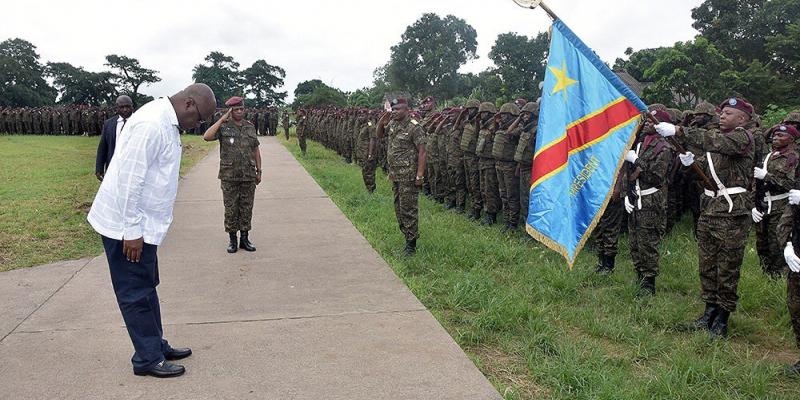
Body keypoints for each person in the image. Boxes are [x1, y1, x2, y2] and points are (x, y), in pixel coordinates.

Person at [87, 83, 216, 378]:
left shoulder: (165, 119)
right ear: (189, 105)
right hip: (127, 226)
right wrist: (131, 230)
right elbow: (130, 179)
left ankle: (155, 344)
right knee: (134, 290)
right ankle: (147, 358)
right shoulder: (150, 123)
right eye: (199, 119)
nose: (199, 125)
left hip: (143, 225)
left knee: (146, 284)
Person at [657, 97, 756, 338]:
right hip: (710, 209)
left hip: (731, 212)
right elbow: (707, 170)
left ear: (742, 119)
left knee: (728, 268)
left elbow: (716, 142)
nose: (722, 115)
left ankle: (722, 319)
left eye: (729, 113)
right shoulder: (717, 147)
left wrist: (679, 130)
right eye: (722, 112)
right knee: (708, 264)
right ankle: (709, 311)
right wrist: (690, 163)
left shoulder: (742, 138)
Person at [623, 109, 674, 295]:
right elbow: (629, 173)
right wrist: (627, 194)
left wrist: (638, 161)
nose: (647, 124)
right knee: (635, 240)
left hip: (651, 200)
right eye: (646, 121)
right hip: (636, 197)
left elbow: (656, 175)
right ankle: (639, 275)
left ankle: (649, 283)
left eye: (652, 122)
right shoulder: (640, 143)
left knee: (648, 242)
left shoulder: (664, 148)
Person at [203, 96, 262, 254]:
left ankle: (244, 238)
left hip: (248, 175)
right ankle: (232, 240)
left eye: (242, 109)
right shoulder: (223, 127)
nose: (240, 112)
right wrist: (222, 119)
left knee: (246, 208)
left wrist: (259, 170)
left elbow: (256, 149)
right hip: (229, 175)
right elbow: (207, 136)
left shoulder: (250, 127)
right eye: (236, 110)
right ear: (230, 111)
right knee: (230, 209)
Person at [373, 97, 427, 256]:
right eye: (393, 109)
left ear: (407, 110)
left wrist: (420, 175)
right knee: (398, 208)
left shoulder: (414, 127)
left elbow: (423, 152)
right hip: (395, 175)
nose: (395, 112)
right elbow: (379, 134)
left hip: (409, 176)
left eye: (398, 109)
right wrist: (384, 118)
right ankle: (407, 237)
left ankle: (411, 245)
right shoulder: (393, 124)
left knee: (408, 209)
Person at [753, 124, 800, 278]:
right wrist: (753, 205)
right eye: (775, 135)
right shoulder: (767, 156)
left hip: (781, 206)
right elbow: (756, 183)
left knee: (777, 243)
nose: (776, 138)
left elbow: (791, 185)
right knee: (762, 243)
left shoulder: (793, 158)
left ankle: (778, 277)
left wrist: (767, 176)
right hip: (764, 205)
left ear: (791, 139)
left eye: (781, 135)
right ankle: (765, 275)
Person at [95, 95, 134, 181]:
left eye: (127, 106)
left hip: (133, 167)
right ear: (116, 108)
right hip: (113, 166)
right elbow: (103, 147)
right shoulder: (109, 124)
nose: (125, 109)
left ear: (132, 106)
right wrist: (99, 168)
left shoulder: (139, 122)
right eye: (121, 107)